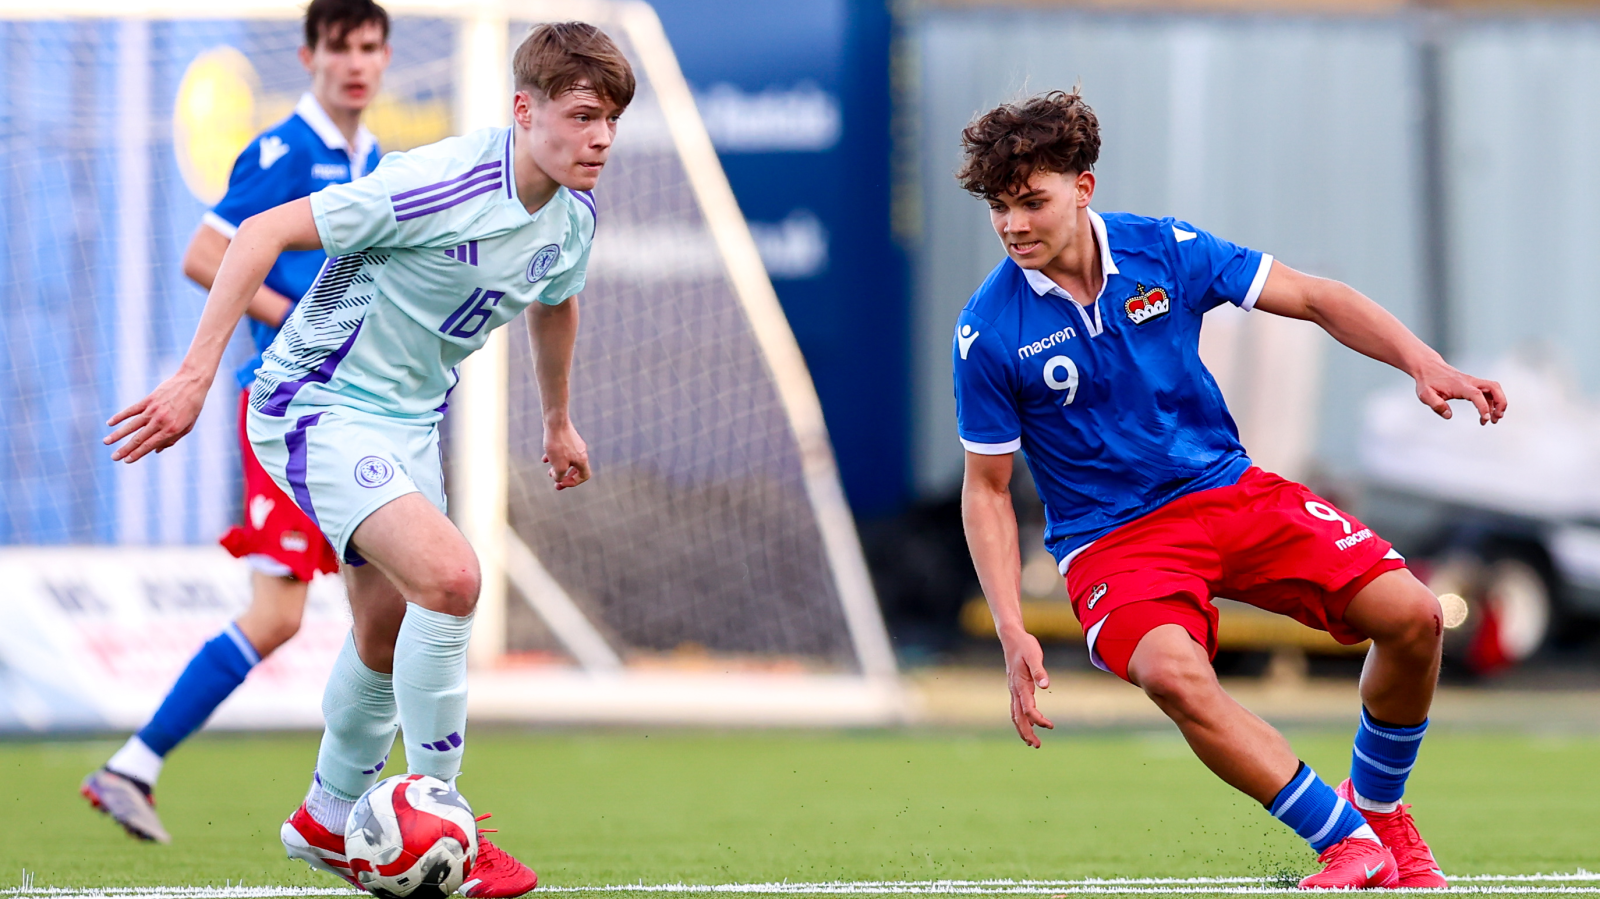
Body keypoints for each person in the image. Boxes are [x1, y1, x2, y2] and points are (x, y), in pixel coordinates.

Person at [103, 21, 631, 898]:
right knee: (454, 580)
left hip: (408, 420)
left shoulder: (572, 219)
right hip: (315, 403)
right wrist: (195, 378)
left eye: (611, 119)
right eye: (583, 116)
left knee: (385, 629)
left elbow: (557, 300)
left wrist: (558, 419)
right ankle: (446, 811)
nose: (602, 137)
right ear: (522, 110)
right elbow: (256, 233)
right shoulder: (438, 180)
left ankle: (326, 813)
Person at [952, 91, 1506, 890]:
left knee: (1416, 616)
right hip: (1113, 541)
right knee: (1176, 675)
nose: (1014, 226)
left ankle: (1380, 811)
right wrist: (1011, 627)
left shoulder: (1164, 249)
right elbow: (987, 490)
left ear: (1084, 187)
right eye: (999, 209)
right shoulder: (987, 331)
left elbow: (1316, 298)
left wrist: (1424, 361)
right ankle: (1345, 840)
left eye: (1031, 201)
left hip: (1227, 491)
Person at [82, 0, 391, 846]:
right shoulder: (284, 150)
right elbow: (204, 252)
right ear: (310, 56)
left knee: (357, 609)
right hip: (289, 409)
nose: (357, 63)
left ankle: (138, 768)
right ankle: (359, 808)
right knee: (319, 611)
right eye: (341, 48)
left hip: (350, 407)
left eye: (370, 47)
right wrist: (292, 312)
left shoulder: (376, 159)